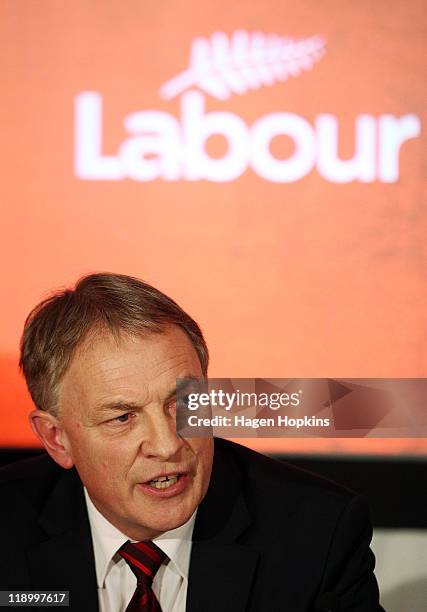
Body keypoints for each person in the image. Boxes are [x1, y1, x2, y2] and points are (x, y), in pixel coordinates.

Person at [0, 273, 384, 612]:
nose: (168, 445)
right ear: (56, 438)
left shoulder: (317, 534)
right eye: (122, 417)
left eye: (183, 402)